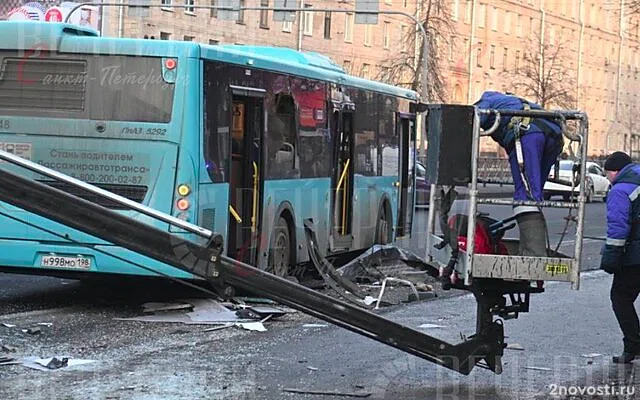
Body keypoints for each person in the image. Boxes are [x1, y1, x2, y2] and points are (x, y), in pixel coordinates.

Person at [475, 91, 564, 256]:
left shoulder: (485, 100)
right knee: (535, 192)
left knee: (524, 194)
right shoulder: (512, 100)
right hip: (555, 135)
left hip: (527, 135)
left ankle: (533, 255)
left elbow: (476, 118)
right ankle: (531, 249)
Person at [599, 151, 640, 363]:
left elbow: (618, 228)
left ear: (615, 171)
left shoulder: (620, 190)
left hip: (635, 257)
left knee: (620, 297)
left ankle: (633, 345)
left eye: (607, 175)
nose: (607, 179)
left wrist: (611, 258)